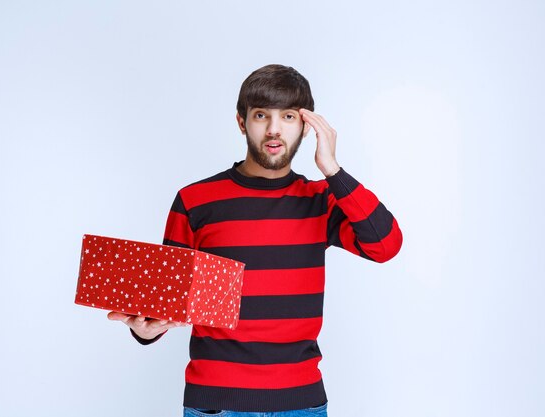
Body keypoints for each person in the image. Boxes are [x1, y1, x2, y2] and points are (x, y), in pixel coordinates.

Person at [108, 64, 403, 416]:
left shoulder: (321, 201)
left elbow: (385, 245)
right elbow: (165, 306)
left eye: (289, 116)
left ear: (306, 127)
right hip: (215, 405)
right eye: (262, 115)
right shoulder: (195, 201)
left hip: (301, 404)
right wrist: (144, 332)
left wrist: (333, 170)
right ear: (241, 122)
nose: (274, 129)